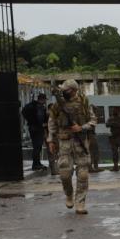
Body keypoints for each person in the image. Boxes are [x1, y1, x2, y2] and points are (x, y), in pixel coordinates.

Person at [48, 79, 96, 215]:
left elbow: (93, 121)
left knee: (83, 174)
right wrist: (51, 141)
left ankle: (80, 202)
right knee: (64, 173)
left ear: (74, 90)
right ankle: (68, 193)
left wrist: (81, 127)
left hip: (80, 141)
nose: (64, 92)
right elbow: (51, 123)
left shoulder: (84, 102)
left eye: (66, 90)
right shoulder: (58, 105)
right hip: (64, 142)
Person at [21, 93, 49, 171]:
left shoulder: (34, 106)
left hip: (35, 128)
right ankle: (35, 164)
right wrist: (35, 122)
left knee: (38, 147)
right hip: (36, 129)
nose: (45, 102)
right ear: (42, 99)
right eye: (44, 100)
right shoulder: (36, 106)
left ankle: (37, 163)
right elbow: (39, 117)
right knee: (37, 146)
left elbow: (23, 112)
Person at [87, 106, 102, 173]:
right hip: (90, 136)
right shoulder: (90, 117)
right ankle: (91, 167)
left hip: (92, 135)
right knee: (92, 152)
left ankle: (95, 167)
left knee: (95, 151)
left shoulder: (92, 117)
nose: (97, 112)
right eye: (96, 110)